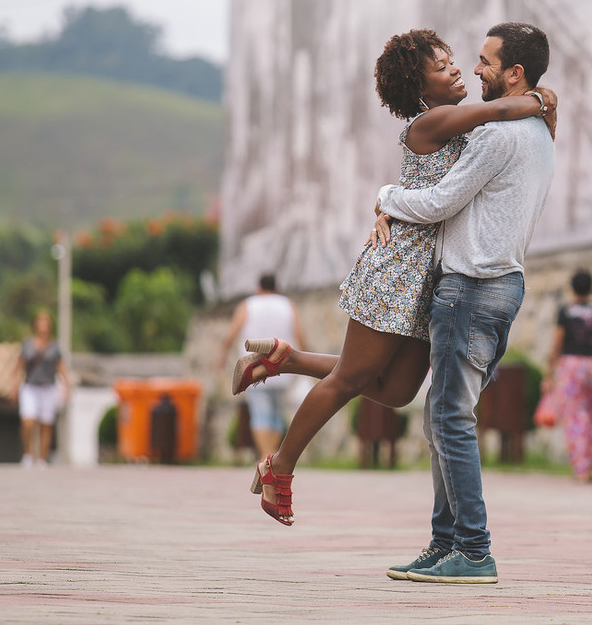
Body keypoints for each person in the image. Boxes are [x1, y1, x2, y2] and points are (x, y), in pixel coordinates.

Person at [233, 28, 556, 529]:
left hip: (430, 277)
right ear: (419, 87)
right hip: (397, 268)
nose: (456, 69)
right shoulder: (432, 123)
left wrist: (387, 197)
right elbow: (500, 112)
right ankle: (280, 468)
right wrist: (539, 97)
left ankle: (286, 358)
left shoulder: (460, 129)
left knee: (399, 389)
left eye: (455, 60)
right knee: (351, 379)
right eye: (442, 66)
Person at [376, 22, 555, 585]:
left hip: (472, 287)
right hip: (500, 286)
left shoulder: (497, 135)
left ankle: (473, 551)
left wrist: (384, 197)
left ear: (514, 74)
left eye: (484, 61)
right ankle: (445, 544)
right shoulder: (540, 130)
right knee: (443, 415)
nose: (474, 70)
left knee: (450, 418)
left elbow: (439, 202)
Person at [542, 268, 592, 483]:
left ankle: (582, 468)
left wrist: (549, 375)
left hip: (572, 366)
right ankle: (590, 464)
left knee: (575, 417)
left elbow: (556, 345)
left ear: (572, 288)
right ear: (591, 288)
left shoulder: (565, 312)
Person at [217, 273, 307, 459]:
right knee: (276, 413)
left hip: (255, 367)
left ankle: (264, 456)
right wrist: (305, 362)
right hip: (283, 367)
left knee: (260, 413)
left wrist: (222, 357)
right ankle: (271, 457)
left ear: (259, 287)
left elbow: (231, 334)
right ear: (277, 287)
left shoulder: (248, 305)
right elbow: (299, 334)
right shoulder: (288, 305)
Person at [11, 310, 70, 468]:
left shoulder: (54, 346)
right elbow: (19, 366)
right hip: (30, 387)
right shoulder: (28, 344)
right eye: (40, 321)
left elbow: (61, 368)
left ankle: (42, 458)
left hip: (49, 388)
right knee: (28, 422)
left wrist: (66, 387)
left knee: (46, 424)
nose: (43, 324)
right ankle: (28, 454)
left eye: (46, 321)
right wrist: (14, 386)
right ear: (35, 324)